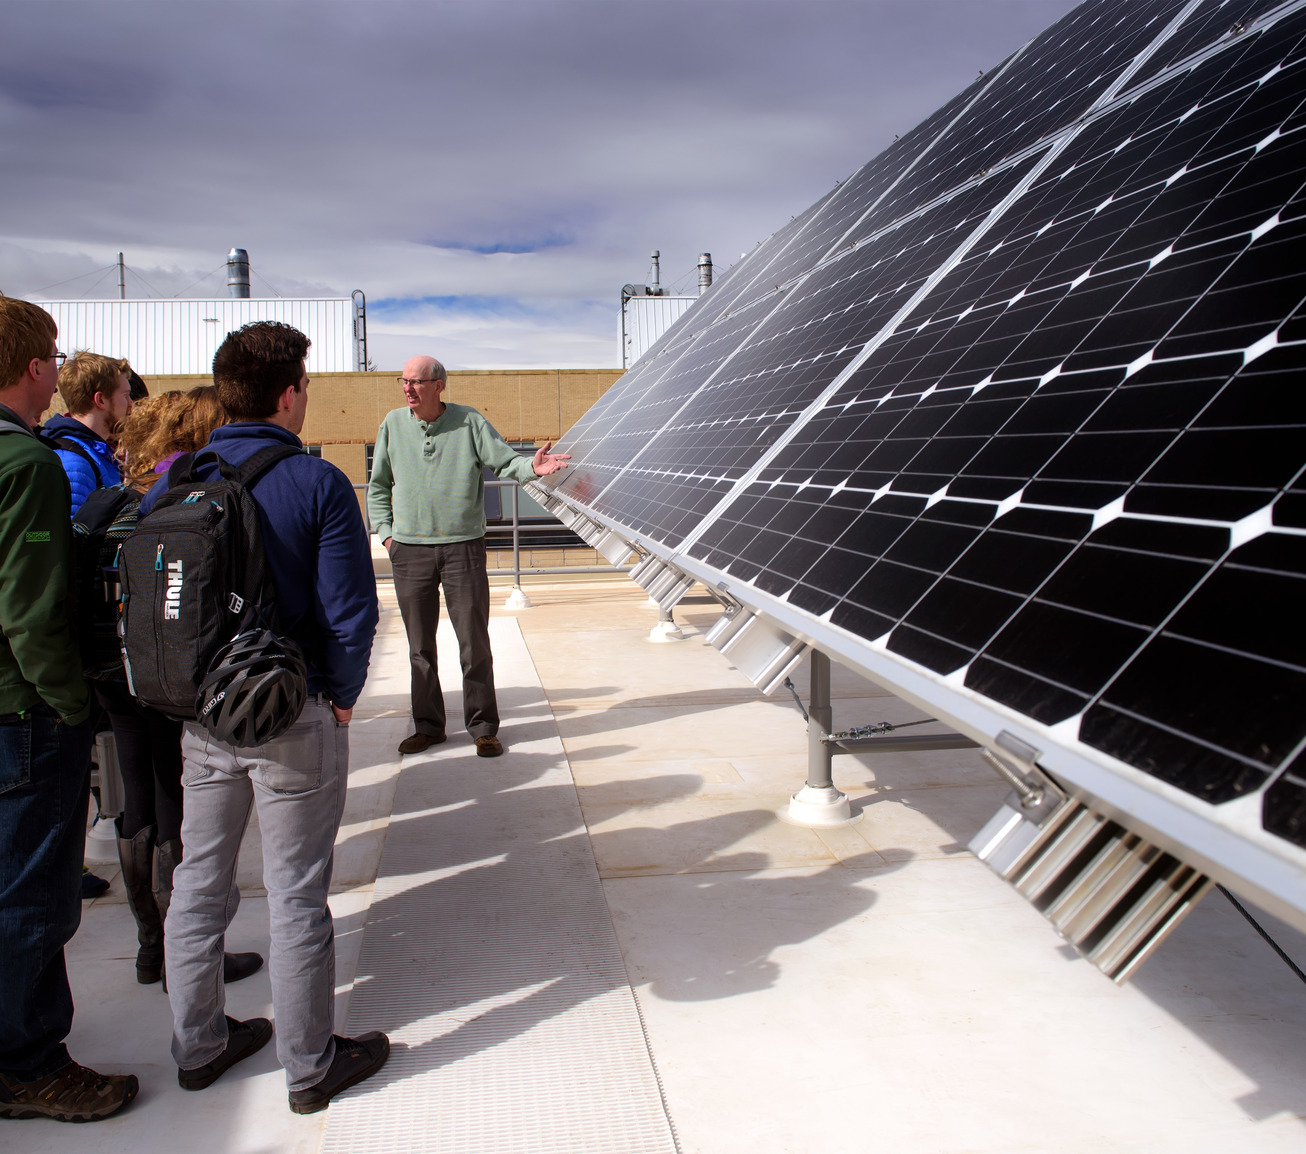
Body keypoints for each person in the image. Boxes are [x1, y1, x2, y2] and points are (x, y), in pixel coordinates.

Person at [139, 322, 386, 1113]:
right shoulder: (316, 483)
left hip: (201, 720)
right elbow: (351, 614)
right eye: (306, 386)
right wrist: (340, 697)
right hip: (292, 713)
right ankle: (310, 1067)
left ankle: (199, 1045)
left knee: (198, 887)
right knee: (296, 895)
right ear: (288, 393)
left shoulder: (176, 479)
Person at [0, 298, 137, 1122]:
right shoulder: (26, 465)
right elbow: (30, 615)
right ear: (33, 368)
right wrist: (70, 706)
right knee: (31, 899)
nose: (58, 366)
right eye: (51, 353)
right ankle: (27, 1064)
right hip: (23, 717)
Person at [102, 387, 263, 989]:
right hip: (172, 671)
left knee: (135, 798)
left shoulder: (122, 494)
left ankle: (151, 947)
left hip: (119, 670)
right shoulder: (187, 490)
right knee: (177, 805)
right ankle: (189, 959)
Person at [367, 356, 569, 758]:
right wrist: (388, 537)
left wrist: (532, 465)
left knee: (473, 643)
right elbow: (378, 486)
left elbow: (505, 461)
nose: (408, 388)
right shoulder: (392, 424)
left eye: (416, 382)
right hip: (409, 552)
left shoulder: (469, 421)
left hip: (464, 549)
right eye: (403, 381)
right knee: (419, 648)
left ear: (438, 385)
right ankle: (428, 726)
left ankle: (483, 727)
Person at [43, 351, 133, 516]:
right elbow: (74, 536)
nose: (131, 404)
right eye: (125, 396)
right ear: (100, 400)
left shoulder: (97, 452)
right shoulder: (74, 462)